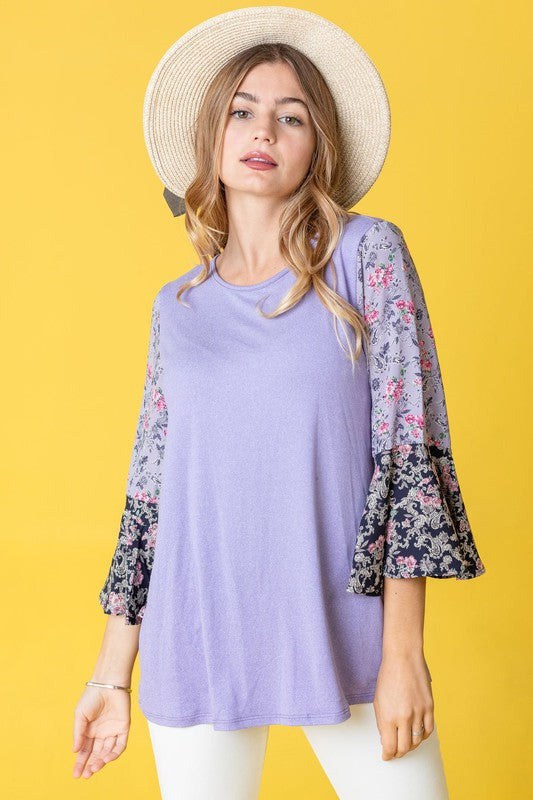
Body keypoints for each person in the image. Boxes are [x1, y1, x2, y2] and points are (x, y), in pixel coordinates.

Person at [72, 7, 486, 798]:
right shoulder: (176, 307)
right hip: (193, 637)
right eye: (242, 110)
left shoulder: (368, 256)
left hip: (346, 635)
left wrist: (402, 655)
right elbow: (152, 498)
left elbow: (409, 451)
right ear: (213, 137)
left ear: (316, 147)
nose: (264, 129)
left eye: (290, 116)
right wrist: (111, 677)